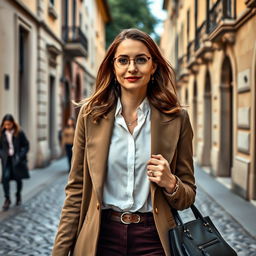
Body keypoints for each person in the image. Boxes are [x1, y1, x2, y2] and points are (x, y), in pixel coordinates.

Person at [52, 28, 196, 256]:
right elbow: (76, 191)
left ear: (154, 66)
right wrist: (59, 252)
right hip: (101, 237)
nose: (132, 68)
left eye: (141, 59)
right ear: (113, 66)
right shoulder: (90, 116)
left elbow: (187, 196)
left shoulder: (177, 119)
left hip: (154, 241)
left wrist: (170, 183)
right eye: (123, 60)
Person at [0, 114, 29, 211]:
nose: (7, 126)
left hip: (17, 159)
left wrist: (20, 156)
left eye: (9, 124)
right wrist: (2, 154)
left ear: (13, 123)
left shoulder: (19, 132)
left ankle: (18, 194)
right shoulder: (1, 133)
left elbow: (26, 145)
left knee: (18, 178)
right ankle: (7, 198)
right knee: (5, 178)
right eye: (5, 125)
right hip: (7, 160)